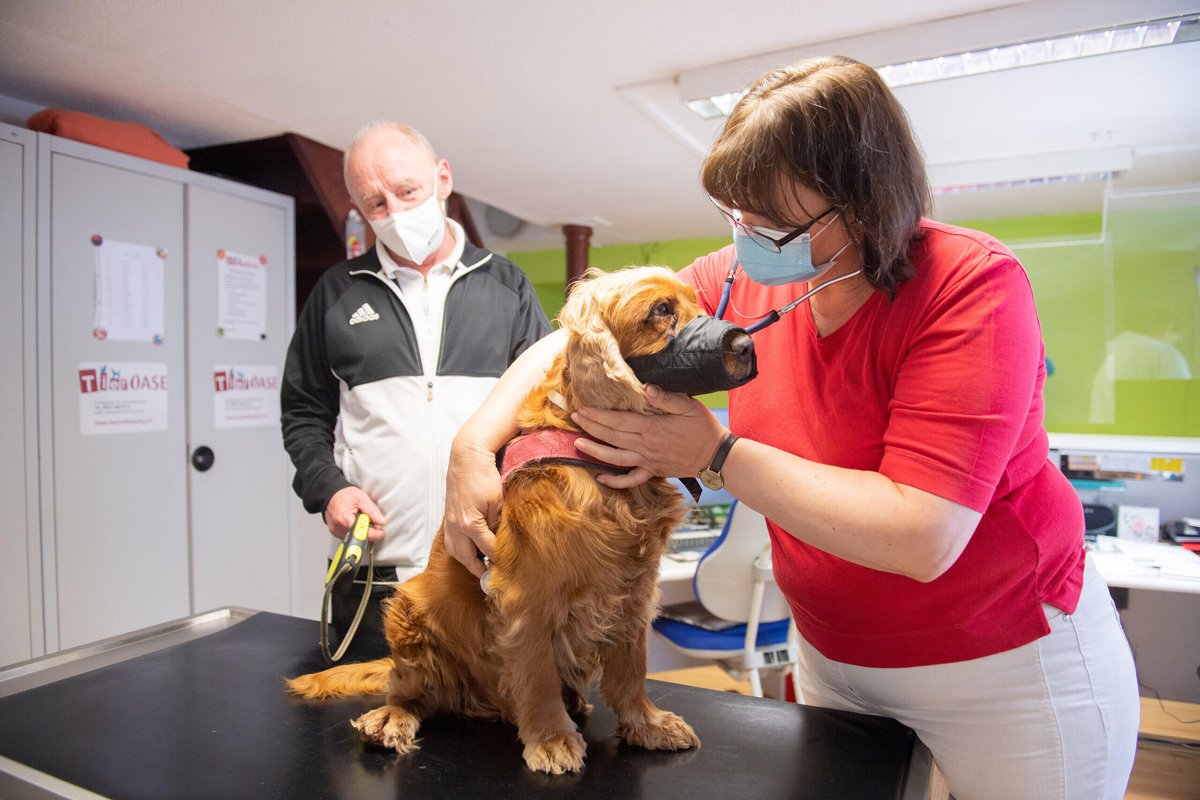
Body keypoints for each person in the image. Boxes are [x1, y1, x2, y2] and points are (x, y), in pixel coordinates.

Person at [442, 57, 1139, 799]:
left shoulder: (972, 288)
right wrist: (469, 446)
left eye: (773, 220)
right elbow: (580, 330)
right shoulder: (746, 278)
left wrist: (714, 455)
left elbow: (922, 535)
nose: (749, 235)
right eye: (736, 216)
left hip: (1003, 666)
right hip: (833, 661)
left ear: (864, 201)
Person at [282, 121, 550, 658]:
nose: (397, 213)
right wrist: (329, 488)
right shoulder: (337, 294)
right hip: (378, 577)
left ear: (442, 178)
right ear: (359, 209)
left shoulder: (507, 287)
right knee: (364, 728)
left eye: (408, 191)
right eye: (376, 203)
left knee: (497, 730)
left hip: (489, 568)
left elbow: (545, 414)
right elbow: (303, 411)